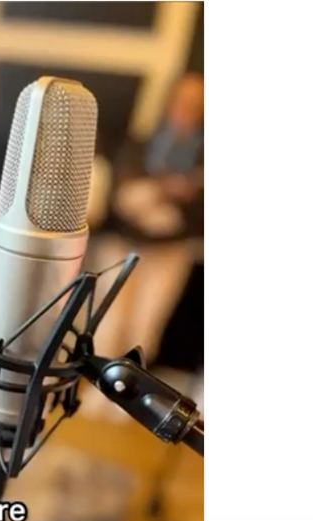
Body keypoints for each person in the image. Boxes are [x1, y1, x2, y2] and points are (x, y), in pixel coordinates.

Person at [89, 73, 204, 367]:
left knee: (145, 328)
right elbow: (119, 196)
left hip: (169, 252)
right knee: (110, 320)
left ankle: (129, 387)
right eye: (183, 101)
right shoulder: (139, 144)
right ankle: (96, 381)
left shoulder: (204, 154)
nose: (187, 109)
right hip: (123, 245)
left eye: (196, 104)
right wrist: (162, 189)